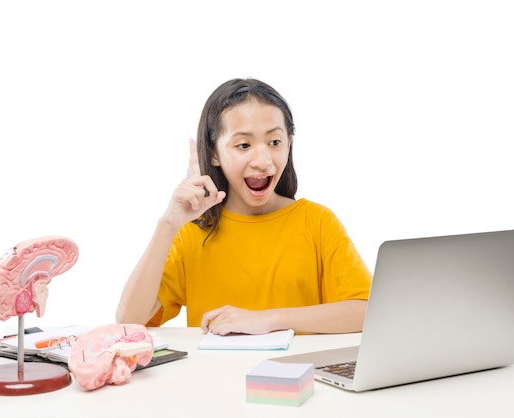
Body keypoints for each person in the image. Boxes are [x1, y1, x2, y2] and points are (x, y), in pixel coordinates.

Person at [116, 78, 371, 335]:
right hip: (212, 375)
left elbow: (366, 312)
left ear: (289, 144)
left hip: (297, 374)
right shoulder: (192, 234)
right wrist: (168, 224)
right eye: (244, 145)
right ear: (214, 153)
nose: (262, 161)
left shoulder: (316, 221)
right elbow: (129, 323)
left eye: (274, 142)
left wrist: (268, 320)